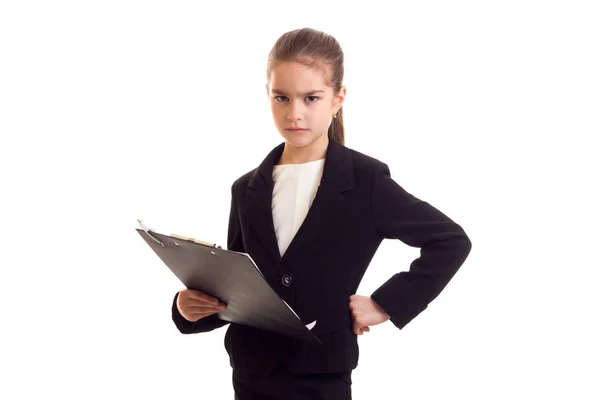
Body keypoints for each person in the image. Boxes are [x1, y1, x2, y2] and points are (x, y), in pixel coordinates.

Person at [171, 27, 472, 399]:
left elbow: (450, 240)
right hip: (251, 374)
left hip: (321, 375)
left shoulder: (366, 181)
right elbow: (238, 284)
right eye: (281, 97)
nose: (294, 113)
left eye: (310, 98)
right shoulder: (246, 187)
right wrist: (188, 308)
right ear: (268, 95)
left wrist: (385, 303)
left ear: (337, 98)